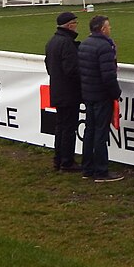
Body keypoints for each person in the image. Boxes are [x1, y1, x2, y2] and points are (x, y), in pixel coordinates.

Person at [76, 14, 123, 182]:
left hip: (88, 93)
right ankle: (101, 170)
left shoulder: (84, 44)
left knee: (89, 131)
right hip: (101, 95)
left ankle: (87, 167)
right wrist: (116, 93)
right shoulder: (104, 47)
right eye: (109, 26)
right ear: (102, 29)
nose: (110, 29)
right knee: (100, 133)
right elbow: (108, 76)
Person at [45, 11, 84, 173]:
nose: (76, 26)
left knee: (60, 127)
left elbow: (49, 66)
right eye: (75, 23)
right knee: (68, 127)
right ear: (69, 25)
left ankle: (59, 159)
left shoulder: (52, 42)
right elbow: (72, 70)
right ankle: (67, 161)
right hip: (69, 93)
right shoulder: (66, 44)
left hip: (57, 90)